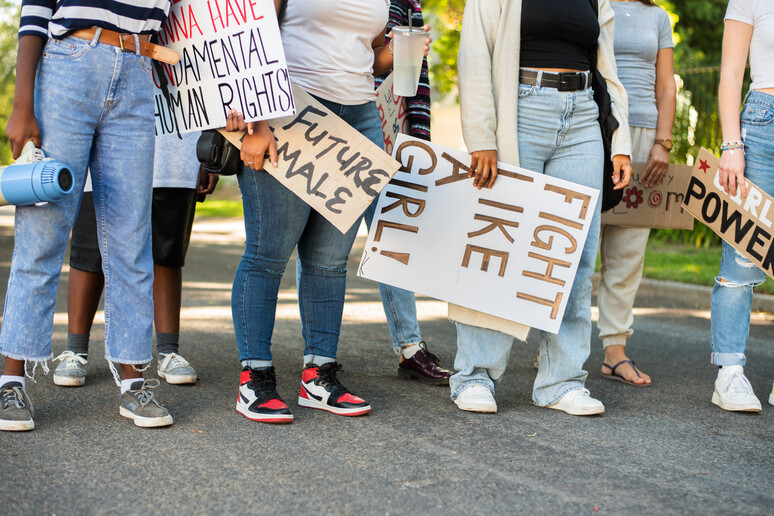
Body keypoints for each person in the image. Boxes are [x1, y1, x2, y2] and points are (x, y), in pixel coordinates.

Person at [227, 0, 432, 424]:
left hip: (359, 116)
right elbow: (250, 35)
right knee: (268, 254)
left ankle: (318, 376)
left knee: (329, 260)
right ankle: (255, 378)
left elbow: (371, 56)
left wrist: (398, 53)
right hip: (290, 110)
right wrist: (258, 123)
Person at [0, 0, 175, 431]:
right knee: (44, 229)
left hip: (139, 72)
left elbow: (190, 29)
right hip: (69, 64)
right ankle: (10, 379)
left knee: (131, 235)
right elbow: (36, 8)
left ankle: (133, 382)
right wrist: (23, 104)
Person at [451, 0, 632, 416]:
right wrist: (482, 137)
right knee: (498, 247)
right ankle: (475, 374)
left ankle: (561, 381)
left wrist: (619, 142)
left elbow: (608, 68)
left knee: (575, 255)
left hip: (583, 116)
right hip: (521, 111)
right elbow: (475, 53)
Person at [52, 132, 218, 387]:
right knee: (90, 249)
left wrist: (210, 150)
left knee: (167, 250)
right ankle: (75, 350)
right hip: (105, 144)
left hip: (175, 147)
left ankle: (168, 350)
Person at [362, 0, 453, 385]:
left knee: (395, 236)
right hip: (337, 122)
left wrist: (419, 139)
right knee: (322, 242)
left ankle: (410, 348)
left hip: (390, 129)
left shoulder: (406, 1)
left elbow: (415, 71)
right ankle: (316, 352)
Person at [596, 0, 676, 387]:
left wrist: (663, 141)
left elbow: (666, 84)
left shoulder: (658, 16)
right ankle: (555, 344)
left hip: (643, 134)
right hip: (594, 126)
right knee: (577, 246)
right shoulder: (592, 3)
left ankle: (615, 352)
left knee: (628, 251)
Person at [710, 0, 774, 412]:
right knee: (743, 253)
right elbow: (732, 72)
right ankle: (729, 373)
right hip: (763, 124)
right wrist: (732, 143)